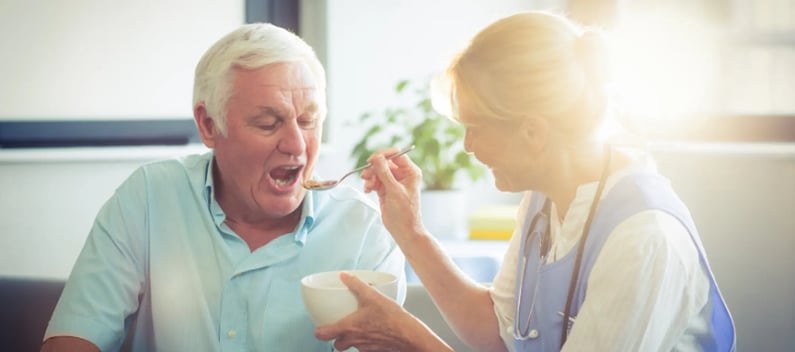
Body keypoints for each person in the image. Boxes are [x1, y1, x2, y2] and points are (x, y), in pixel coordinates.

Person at [314, 11, 735, 352]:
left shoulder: (643, 240)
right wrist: (409, 231)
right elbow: (499, 334)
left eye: (475, 127)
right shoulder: (546, 199)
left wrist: (412, 340)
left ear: (533, 132)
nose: (467, 146)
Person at [41, 23, 405, 352]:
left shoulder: (366, 229)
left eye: (309, 120)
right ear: (209, 125)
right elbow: (74, 338)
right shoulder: (148, 198)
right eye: (267, 123)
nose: (297, 145)